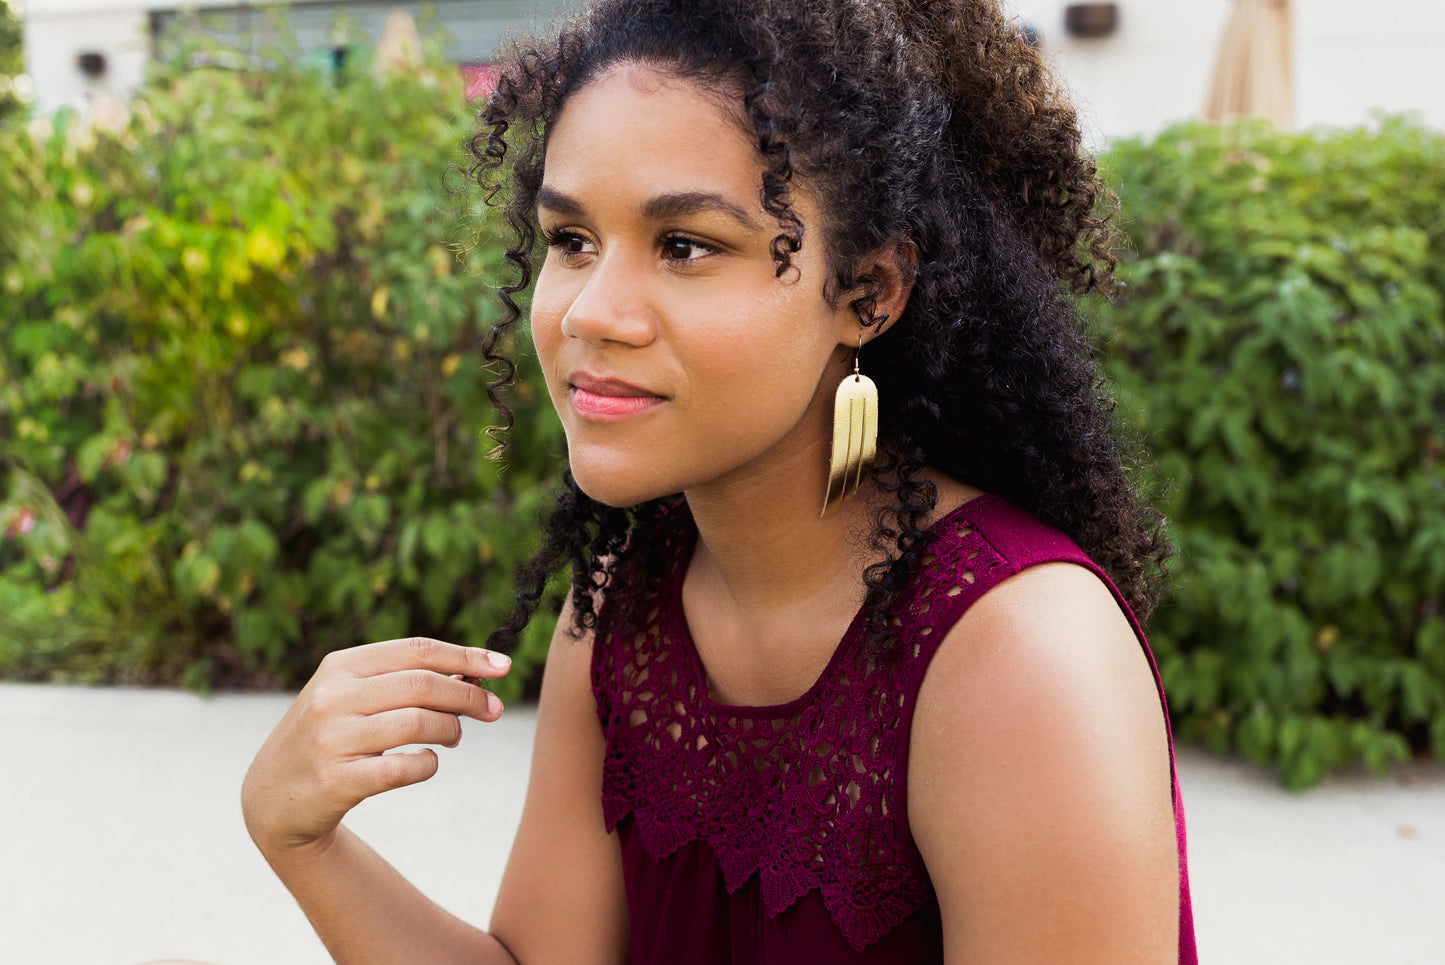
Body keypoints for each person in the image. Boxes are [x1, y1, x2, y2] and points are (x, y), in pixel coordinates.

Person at [237, 0, 1198, 962]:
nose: (590, 312)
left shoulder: (1019, 658)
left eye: (685, 246)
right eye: (571, 240)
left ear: (868, 293)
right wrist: (301, 840)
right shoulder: (622, 610)